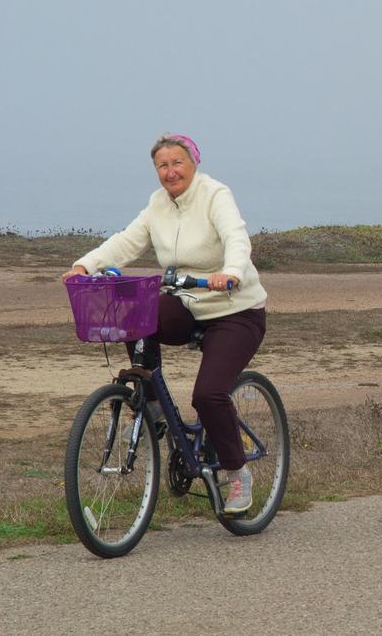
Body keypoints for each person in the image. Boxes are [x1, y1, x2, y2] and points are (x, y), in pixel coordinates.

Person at [62, 133, 267, 514]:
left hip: (234, 308)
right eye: (162, 165)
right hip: (189, 301)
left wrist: (232, 271)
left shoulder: (215, 195)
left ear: (194, 163)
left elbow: (235, 236)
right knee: (134, 316)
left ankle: (238, 474)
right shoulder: (158, 204)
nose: (170, 172)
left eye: (177, 163)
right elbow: (127, 241)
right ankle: (152, 407)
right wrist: (84, 265)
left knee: (207, 395)